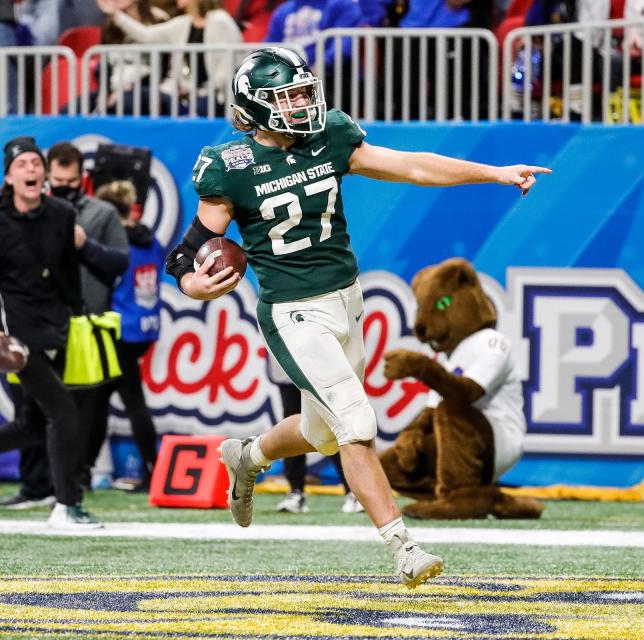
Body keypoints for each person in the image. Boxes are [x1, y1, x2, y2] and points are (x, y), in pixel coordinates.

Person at [165, 47, 549, 588]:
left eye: (303, 92)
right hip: (292, 312)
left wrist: (494, 173)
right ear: (255, 106)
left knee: (322, 433)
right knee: (356, 421)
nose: (302, 103)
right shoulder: (229, 167)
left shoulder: (332, 136)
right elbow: (192, 248)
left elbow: (412, 165)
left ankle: (247, 456)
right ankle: (402, 547)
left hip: (347, 300)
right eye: (288, 96)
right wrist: (191, 282)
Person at [0, 136, 102, 529]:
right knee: (64, 413)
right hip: (15, 341)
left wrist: (77, 317)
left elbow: (67, 272)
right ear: (8, 177)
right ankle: (66, 505)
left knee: (31, 424)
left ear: (44, 173)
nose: (31, 169)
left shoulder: (61, 214)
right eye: (22, 164)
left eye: (35, 163)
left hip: (57, 331)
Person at [0, 140, 130, 507]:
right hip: (40, 323)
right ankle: (34, 485)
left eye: (70, 183)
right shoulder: (29, 214)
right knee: (31, 406)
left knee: (82, 410)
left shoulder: (101, 213)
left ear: (81, 179)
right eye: (56, 182)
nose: (63, 189)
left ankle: (72, 482)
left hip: (86, 325)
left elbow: (120, 262)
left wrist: (85, 246)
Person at [96, 179, 164, 490]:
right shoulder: (151, 240)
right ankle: (82, 468)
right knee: (100, 399)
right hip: (145, 327)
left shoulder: (115, 241)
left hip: (120, 329)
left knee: (122, 400)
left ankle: (154, 472)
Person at [96, 0, 243, 115]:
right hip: (190, 97)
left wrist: (197, 92)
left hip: (217, 99)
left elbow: (225, 73)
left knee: (143, 97)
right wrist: (115, 15)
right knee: (142, 95)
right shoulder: (184, 22)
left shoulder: (219, 20)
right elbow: (147, 35)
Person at [267, 355, 363, 514]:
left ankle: (353, 491)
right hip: (287, 353)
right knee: (292, 419)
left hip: (322, 355)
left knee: (334, 420)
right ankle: (295, 491)